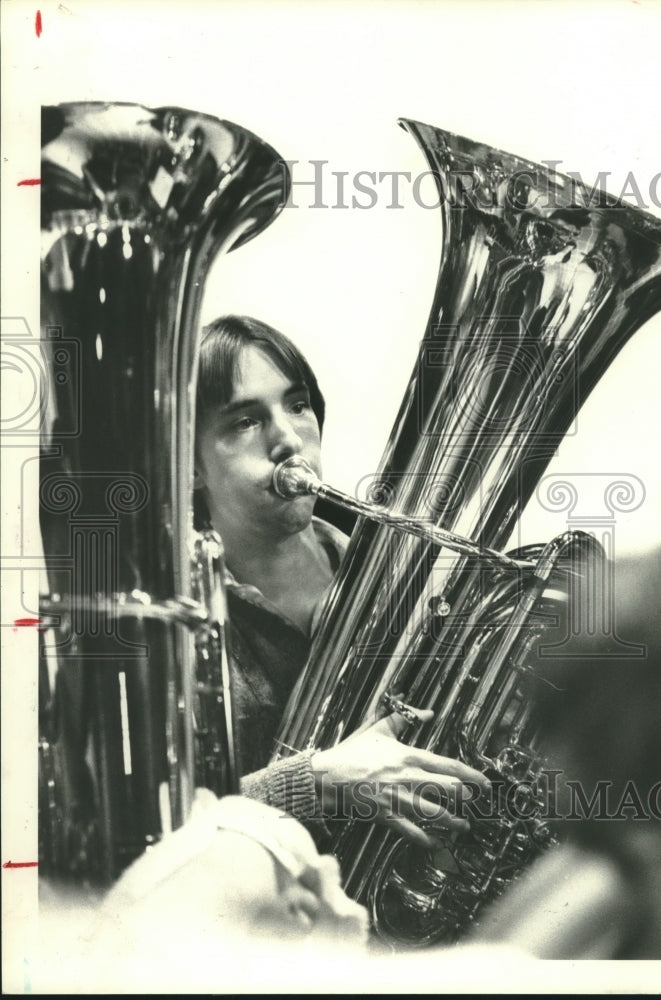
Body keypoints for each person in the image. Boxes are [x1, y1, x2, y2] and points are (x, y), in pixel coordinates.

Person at [193, 314, 490, 849]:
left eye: (298, 404)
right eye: (244, 422)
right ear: (189, 463)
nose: (288, 438)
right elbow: (153, 830)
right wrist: (316, 783)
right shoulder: (176, 615)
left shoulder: (398, 572)